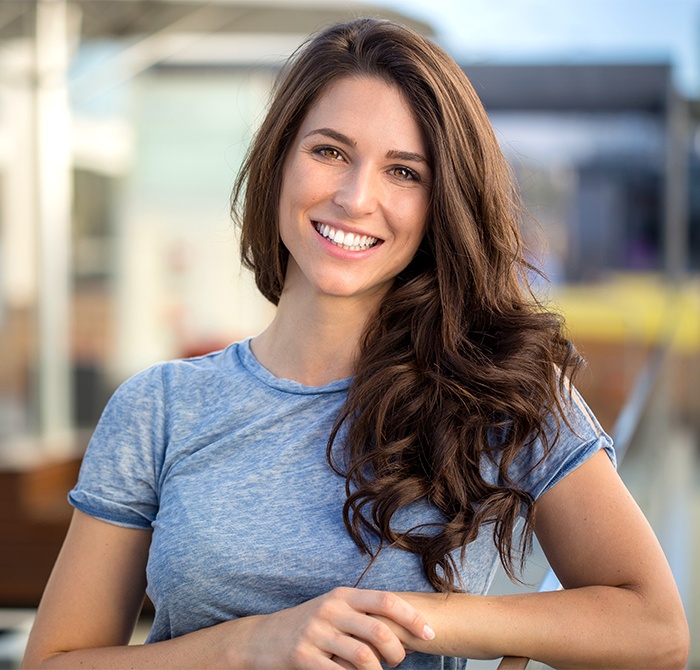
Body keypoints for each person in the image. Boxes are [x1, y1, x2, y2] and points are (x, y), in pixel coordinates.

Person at [23, 18, 688, 670]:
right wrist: (250, 646)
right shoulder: (159, 408)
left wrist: (410, 619)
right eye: (330, 151)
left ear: (439, 205)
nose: (354, 196)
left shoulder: (501, 388)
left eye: (404, 172)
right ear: (280, 158)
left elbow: (655, 627)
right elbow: (53, 661)